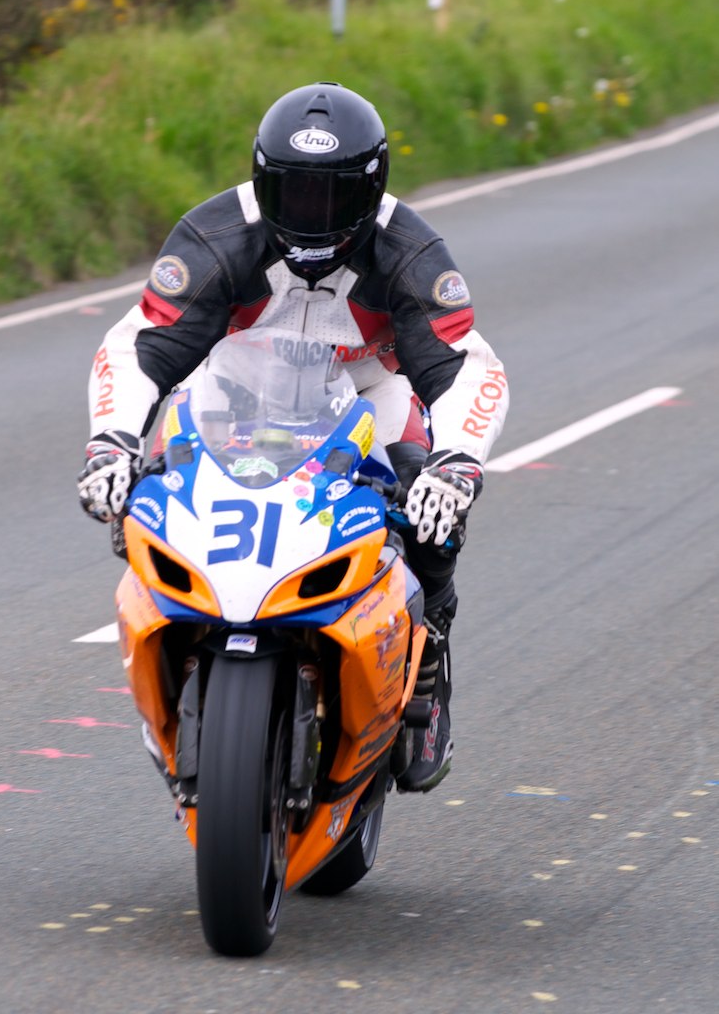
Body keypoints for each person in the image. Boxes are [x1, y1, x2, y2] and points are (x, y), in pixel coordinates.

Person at [77, 82, 509, 793]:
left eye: (332, 197)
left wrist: (455, 464)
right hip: (234, 392)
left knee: (432, 521)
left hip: (369, 393)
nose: (312, 214)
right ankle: (177, 663)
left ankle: (426, 672)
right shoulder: (214, 237)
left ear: (371, 191)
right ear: (259, 178)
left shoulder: (412, 251)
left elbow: (464, 367)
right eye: (293, 192)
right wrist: (111, 443)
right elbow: (142, 346)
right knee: (138, 507)